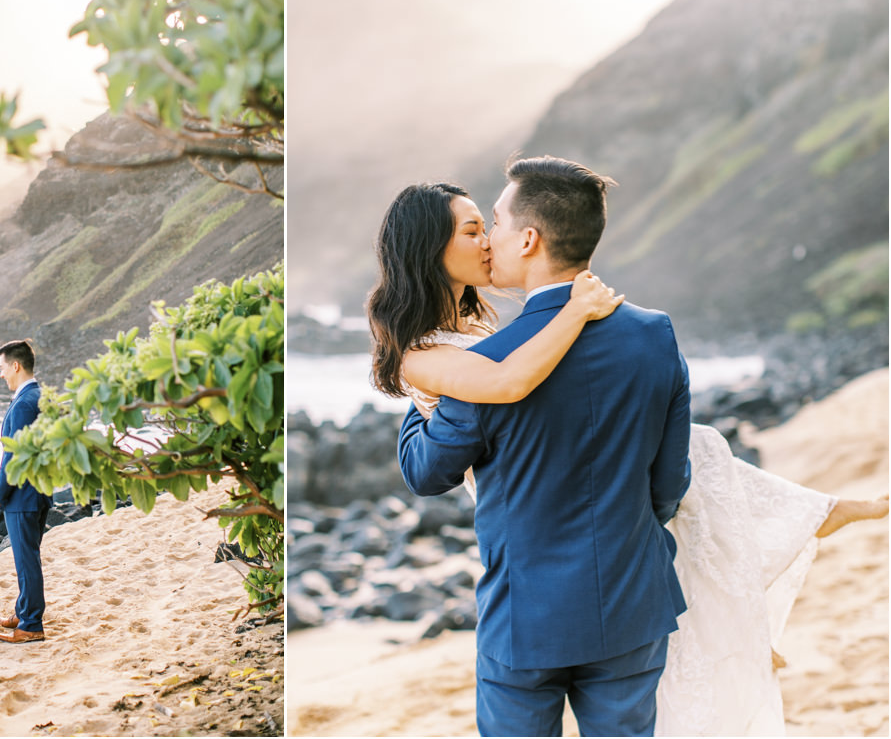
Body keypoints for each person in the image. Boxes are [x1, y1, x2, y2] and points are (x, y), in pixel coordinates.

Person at [371, 165, 888, 736]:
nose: (487, 239)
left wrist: (414, 398)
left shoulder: (485, 361)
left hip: (526, 613)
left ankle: (810, 518)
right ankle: (808, 521)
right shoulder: (652, 333)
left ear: (527, 238)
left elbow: (429, 470)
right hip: (631, 602)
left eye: (489, 223)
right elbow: (670, 482)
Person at [0, 338, 53, 644]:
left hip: (24, 495)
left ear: (16, 365)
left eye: (2, 368)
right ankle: (25, 611)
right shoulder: (40, 396)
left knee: (26, 560)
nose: (1, 375)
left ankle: (31, 625)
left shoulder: (25, 402)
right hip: (39, 490)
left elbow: (14, 455)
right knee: (29, 557)